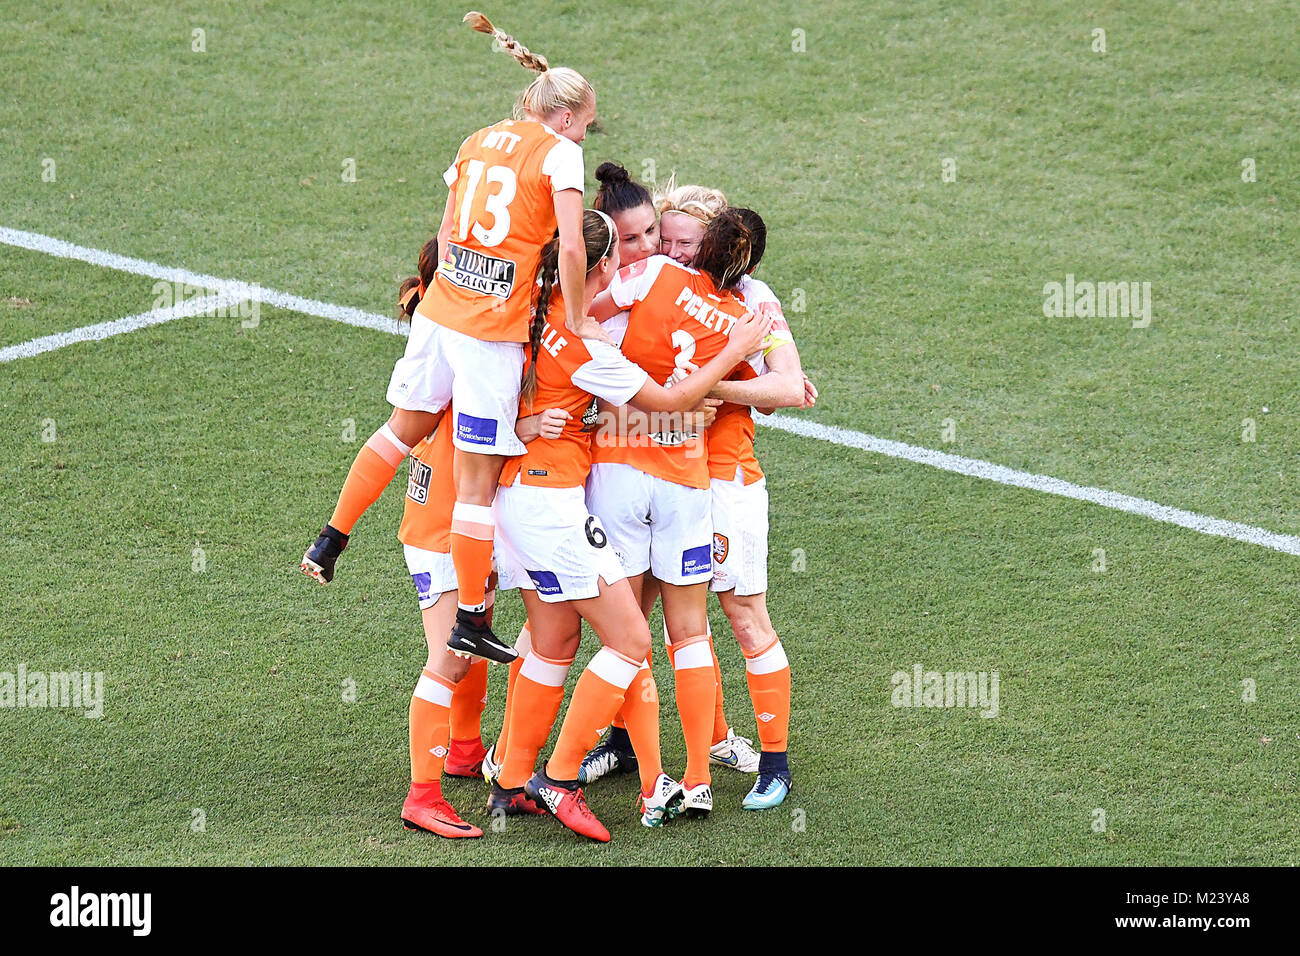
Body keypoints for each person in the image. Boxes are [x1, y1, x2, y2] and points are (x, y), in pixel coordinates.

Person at [301, 13, 602, 668]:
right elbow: (574, 246)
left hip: (441, 310)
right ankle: (469, 618)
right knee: (475, 481)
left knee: (401, 427)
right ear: (565, 115)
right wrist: (575, 318)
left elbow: (443, 232)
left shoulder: (476, 138)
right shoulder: (560, 153)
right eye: (586, 123)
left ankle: (330, 538)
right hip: (489, 331)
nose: (586, 135)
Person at [490, 208, 769, 840]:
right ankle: (562, 781)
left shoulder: (526, 303)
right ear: (604, 265)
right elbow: (674, 402)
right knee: (637, 639)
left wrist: (524, 427)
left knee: (555, 639)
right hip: (566, 502)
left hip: (522, 495)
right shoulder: (591, 348)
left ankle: (509, 778)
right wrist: (737, 348)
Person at [582, 208, 769, 817]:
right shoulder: (744, 320)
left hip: (616, 467)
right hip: (686, 480)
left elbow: (591, 317)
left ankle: (649, 781)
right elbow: (773, 394)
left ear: (699, 245)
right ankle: (698, 780)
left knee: (626, 630)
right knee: (688, 632)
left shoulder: (655, 272)